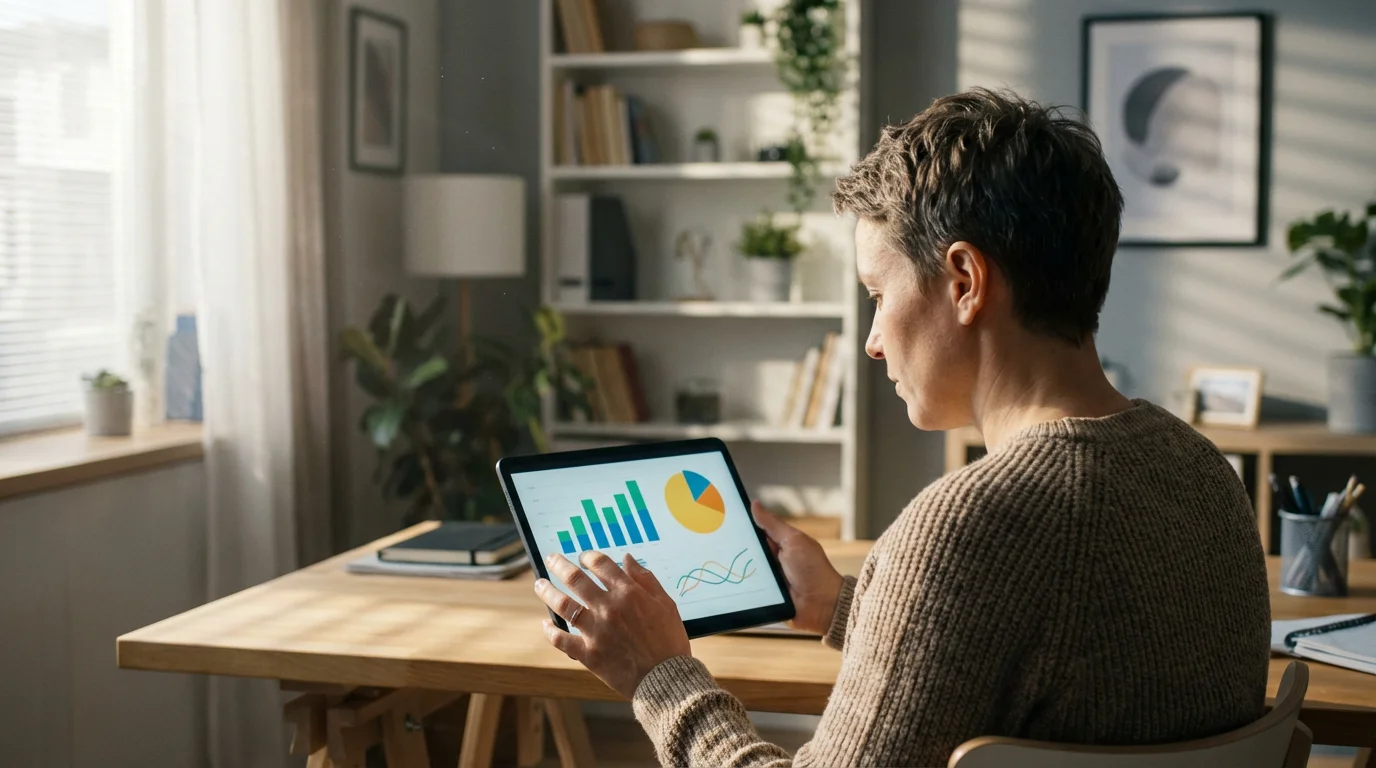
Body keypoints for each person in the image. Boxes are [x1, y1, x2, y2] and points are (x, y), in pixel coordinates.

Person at [532, 88, 1271, 767]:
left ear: (965, 282)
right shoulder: (1200, 471)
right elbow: (1068, 658)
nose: (873, 341)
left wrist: (659, 673)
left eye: (878, 295)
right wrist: (846, 606)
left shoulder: (970, 524)